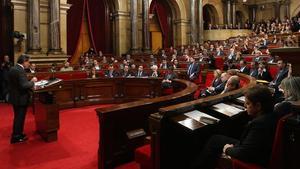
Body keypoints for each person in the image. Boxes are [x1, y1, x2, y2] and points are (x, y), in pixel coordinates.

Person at [191, 85, 277, 169]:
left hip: (253, 157)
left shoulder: (259, 124)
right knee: (215, 139)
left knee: (214, 142)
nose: (245, 106)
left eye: (248, 103)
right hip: (250, 147)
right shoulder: (271, 115)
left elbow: (243, 153)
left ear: (258, 106)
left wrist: (227, 149)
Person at [8, 54, 38, 144]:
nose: (29, 64)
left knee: (18, 117)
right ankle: (16, 136)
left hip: (15, 97)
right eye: (28, 62)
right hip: (20, 98)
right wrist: (32, 82)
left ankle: (19, 134)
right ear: (24, 61)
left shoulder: (14, 68)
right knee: (19, 118)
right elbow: (24, 85)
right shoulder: (20, 70)